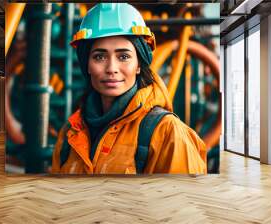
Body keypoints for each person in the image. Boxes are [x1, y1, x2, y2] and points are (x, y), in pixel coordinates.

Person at [51, 3, 206, 174]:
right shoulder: (69, 133)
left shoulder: (169, 133)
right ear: (86, 64)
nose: (111, 68)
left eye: (123, 56)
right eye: (99, 56)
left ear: (139, 64)